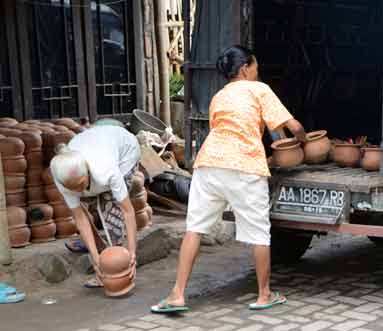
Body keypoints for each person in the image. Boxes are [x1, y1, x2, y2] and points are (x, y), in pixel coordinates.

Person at [151, 45, 307, 313]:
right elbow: (292, 127)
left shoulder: (219, 96)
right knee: (259, 233)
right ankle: (264, 294)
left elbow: (225, 131)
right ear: (245, 68)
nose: (258, 71)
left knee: (195, 229)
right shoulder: (260, 90)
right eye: (256, 66)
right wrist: (304, 142)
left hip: (208, 164)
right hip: (244, 165)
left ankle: (177, 294)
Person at [50, 125, 141, 288]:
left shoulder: (106, 169)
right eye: (73, 188)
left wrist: (133, 252)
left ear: (87, 171)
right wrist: (95, 258)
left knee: (108, 205)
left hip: (125, 150)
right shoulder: (62, 176)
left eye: (81, 184)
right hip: (97, 148)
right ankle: (101, 252)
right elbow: (79, 217)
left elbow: (128, 211)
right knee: (82, 205)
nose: (78, 190)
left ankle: (118, 262)